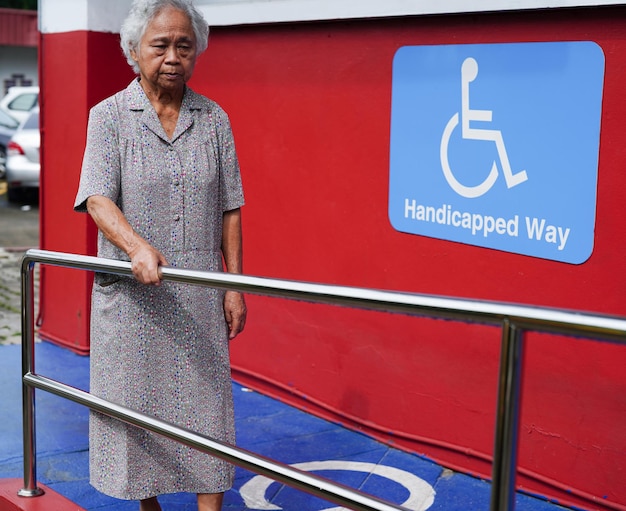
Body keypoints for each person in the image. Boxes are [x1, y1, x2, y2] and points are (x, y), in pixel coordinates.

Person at [73, 1, 246, 510]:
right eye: (160, 45)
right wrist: (136, 245)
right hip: (133, 300)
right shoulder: (107, 117)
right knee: (137, 417)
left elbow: (230, 208)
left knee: (207, 413)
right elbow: (96, 197)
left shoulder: (214, 119)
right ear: (133, 51)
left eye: (184, 45)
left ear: (197, 52)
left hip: (198, 295)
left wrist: (234, 285)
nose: (173, 56)